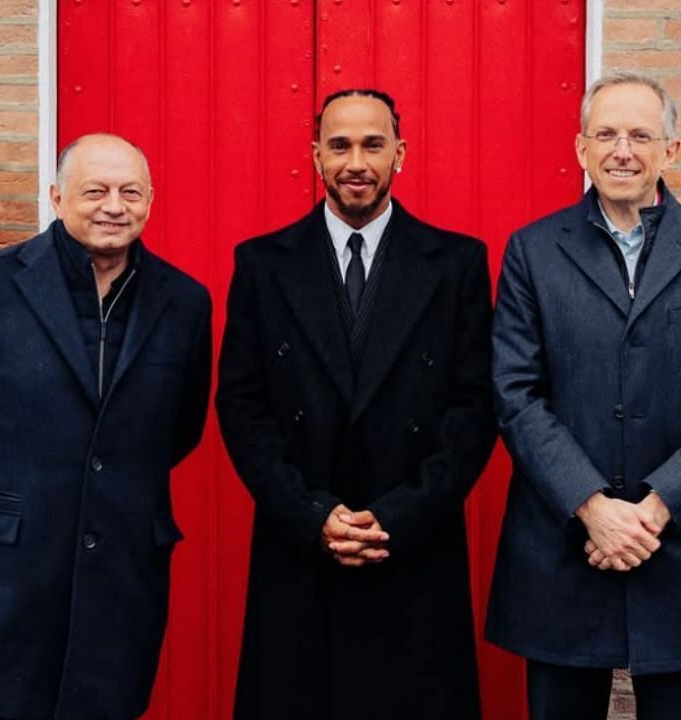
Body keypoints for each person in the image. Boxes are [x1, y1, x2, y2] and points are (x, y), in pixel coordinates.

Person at [485, 71, 681, 719]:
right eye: (606, 134)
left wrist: (652, 512)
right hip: (565, 546)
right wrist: (594, 509)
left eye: (641, 135)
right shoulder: (533, 253)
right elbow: (515, 394)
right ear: (581, 147)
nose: (622, 150)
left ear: (671, 151)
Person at [0, 133, 212, 720]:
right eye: (94, 191)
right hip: (9, 576)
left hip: (121, 577)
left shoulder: (184, 302)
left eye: (130, 192)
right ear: (56, 196)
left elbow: (181, 427)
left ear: (151, 200)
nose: (113, 206)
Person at [216, 88, 496, 720]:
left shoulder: (455, 263)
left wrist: (398, 515)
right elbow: (241, 404)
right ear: (315, 156)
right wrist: (313, 515)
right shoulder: (262, 264)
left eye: (373, 144)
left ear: (401, 152)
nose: (356, 162)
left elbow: (475, 407)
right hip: (302, 547)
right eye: (339, 145)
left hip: (413, 547)